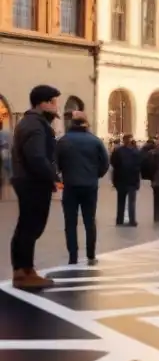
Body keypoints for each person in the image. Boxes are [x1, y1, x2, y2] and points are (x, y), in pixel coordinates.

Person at [10, 85, 62, 290]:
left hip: (27, 180)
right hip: (32, 182)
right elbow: (37, 157)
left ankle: (25, 269)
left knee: (28, 226)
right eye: (54, 102)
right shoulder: (36, 125)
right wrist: (53, 178)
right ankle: (22, 273)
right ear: (44, 103)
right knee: (30, 227)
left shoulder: (32, 122)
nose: (56, 106)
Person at [55, 112, 109, 266]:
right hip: (90, 186)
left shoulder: (63, 141)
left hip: (70, 186)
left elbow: (55, 163)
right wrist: (95, 175)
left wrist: (62, 176)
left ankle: (73, 256)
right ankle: (91, 255)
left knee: (70, 222)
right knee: (89, 221)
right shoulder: (95, 141)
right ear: (85, 124)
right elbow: (105, 163)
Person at [110, 133, 142, 227]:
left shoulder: (118, 151)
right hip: (132, 180)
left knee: (121, 200)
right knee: (131, 201)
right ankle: (132, 220)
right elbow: (139, 165)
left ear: (123, 141)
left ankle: (119, 219)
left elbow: (113, 163)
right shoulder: (136, 151)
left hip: (121, 179)